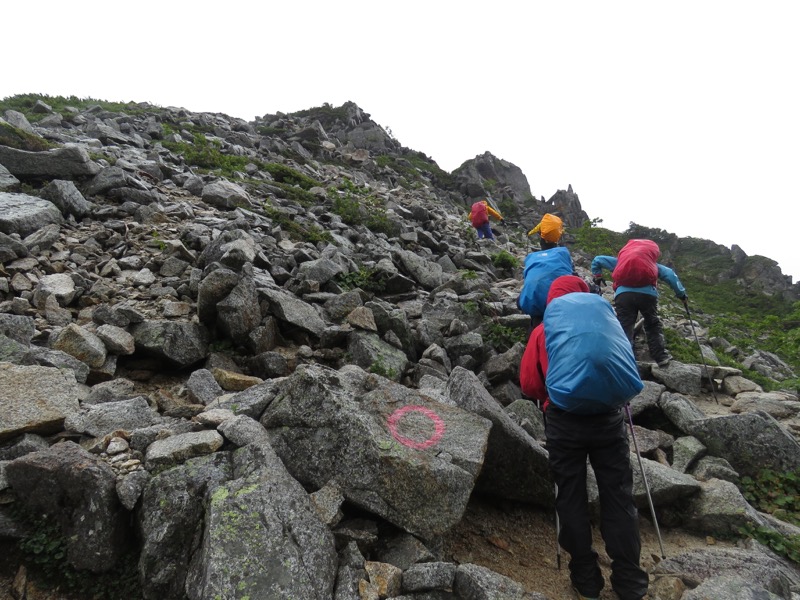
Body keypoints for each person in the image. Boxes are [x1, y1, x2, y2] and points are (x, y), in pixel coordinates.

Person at [520, 275, 649, 600]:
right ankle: (630, 581)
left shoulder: (543, 330)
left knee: (571, 494)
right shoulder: (605, 323)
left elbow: (530, 385)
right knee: (619, 494)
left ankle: (586, 577)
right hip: (608, 419)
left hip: (564, 422)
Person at [591, 239, 687, 367]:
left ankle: (624, 358)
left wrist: (598, 276)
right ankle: (660, 356)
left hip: (623, 295)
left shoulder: (621, 263)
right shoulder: (653, 265)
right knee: (652, 324)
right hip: (647, 295)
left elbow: (597, 260)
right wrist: (682, 295)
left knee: (625, 325)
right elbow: (670, 275)